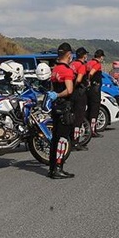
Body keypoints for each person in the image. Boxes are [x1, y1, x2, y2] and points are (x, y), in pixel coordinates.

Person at [46, 42, 76, 179]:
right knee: (63, 139)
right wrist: (59, 95)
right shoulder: (67, 70)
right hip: (65, 108)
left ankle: (52, 168)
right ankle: (59, 167)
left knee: (55, 138)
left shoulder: (55, 69)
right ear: (69, 55)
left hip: (55, 107)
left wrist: (55, 96)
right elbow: (69, 90)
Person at [70, 47, 90, 151]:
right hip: (79, 93)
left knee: (72, 116)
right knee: (79, 118)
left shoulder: (72, 64)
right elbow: (78, 79)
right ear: (84, 56)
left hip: (71, 94)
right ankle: (76, 142)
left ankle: (71, 139)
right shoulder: (81, 66)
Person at [86, 49, 105, 137]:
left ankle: (88, 128)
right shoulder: (97, 64)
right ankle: (93, 130)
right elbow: (91, 73)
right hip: (95, 89)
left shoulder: (89, 63)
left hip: (89, 90)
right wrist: (90, 81)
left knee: (89, 109)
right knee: (94, 110)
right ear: (101, 57)